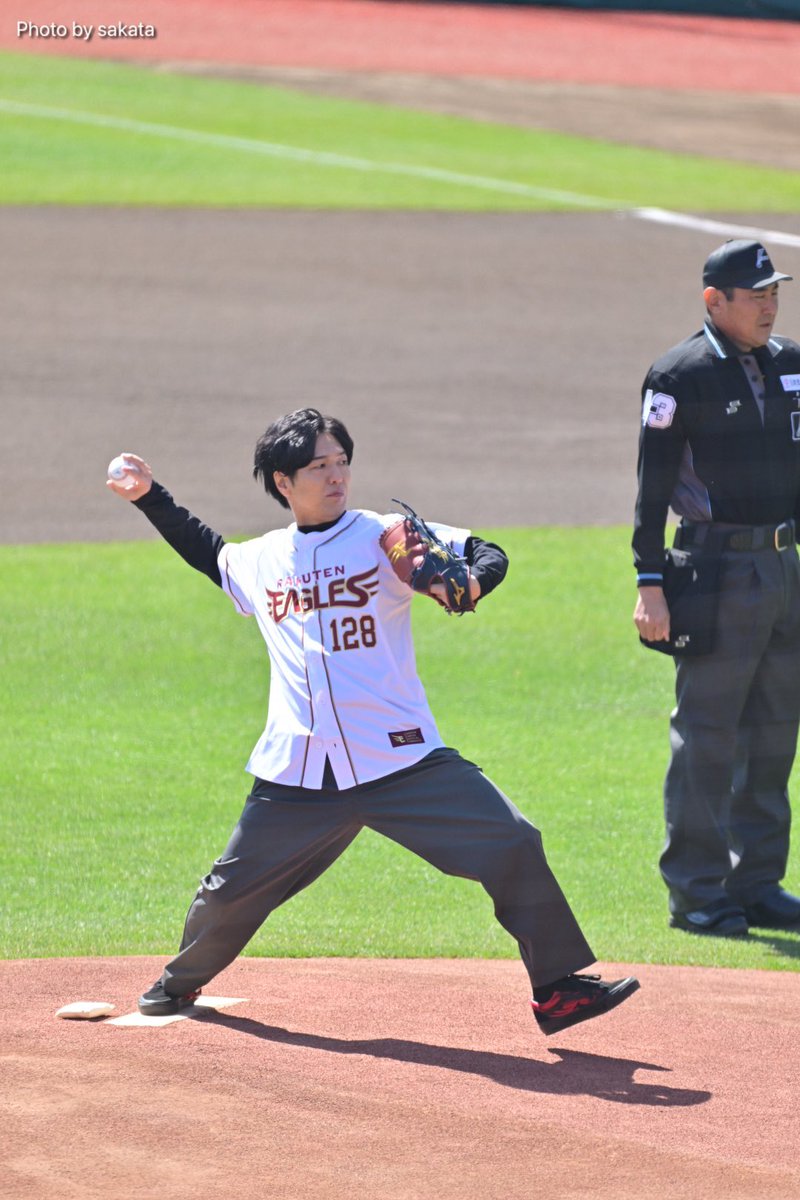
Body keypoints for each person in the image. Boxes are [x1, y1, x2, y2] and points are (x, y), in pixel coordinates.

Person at [107, 407, 639, 1034]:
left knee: (513, 838)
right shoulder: (263, 559)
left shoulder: (384, 534)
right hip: (299, 775)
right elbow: (207, 551)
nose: (336, 476)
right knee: (228, 895)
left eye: (342, 463)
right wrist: (149, 497)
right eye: (318, 466)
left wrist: (472, 578)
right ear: (284, 482)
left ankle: (557, 989)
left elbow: (485, 552)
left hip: (402, 761)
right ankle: (177, 984)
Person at [633, 239, 800, 936]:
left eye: (774, 293)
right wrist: (649, 582)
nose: (768, 305)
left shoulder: (792, 364)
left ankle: (757, 879)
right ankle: (697, 889)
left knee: (774, 732)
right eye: (755, 294)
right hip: (716, 569)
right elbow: (652, 489)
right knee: (706, 735)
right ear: (714, 301)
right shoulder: (678, 375)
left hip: (786, 568)